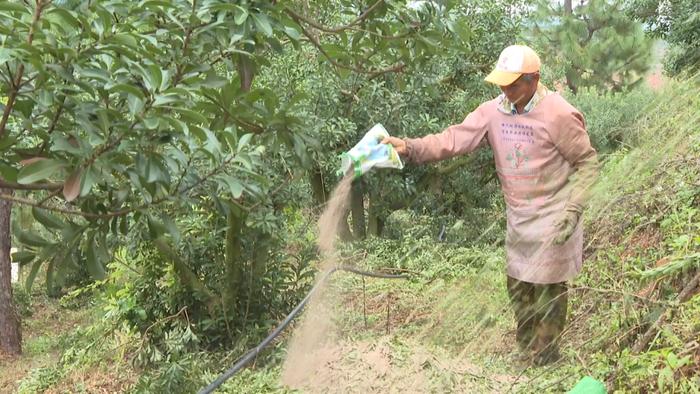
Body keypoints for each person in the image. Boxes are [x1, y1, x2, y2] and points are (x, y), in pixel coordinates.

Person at [382, 44, 599, 365]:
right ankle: (526, 349)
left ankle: (547, 356)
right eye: (502, 83)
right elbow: (452, 139)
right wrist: (410, 147)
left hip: (556, 216)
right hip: (520, 216)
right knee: (519, 286)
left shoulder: (559, 114)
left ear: (534, 79)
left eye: (513, 84)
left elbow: (588, 163)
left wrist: (573, 211)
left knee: (549, 289)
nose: (505, 90)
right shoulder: (493, 112)